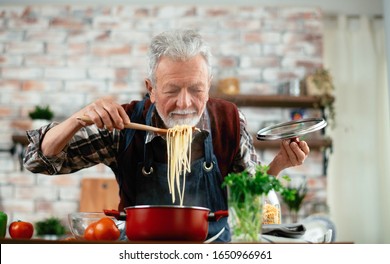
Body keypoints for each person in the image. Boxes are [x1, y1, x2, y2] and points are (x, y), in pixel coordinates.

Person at [23, 29, 310, 242]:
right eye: (172, 90)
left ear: (208, 85)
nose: (185, 103)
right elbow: (38, 160)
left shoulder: (229, 120)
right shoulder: (123, 124)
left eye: (196, 89)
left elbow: (250, 195)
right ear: (151, 88)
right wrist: (77, 119)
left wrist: (279, 165)